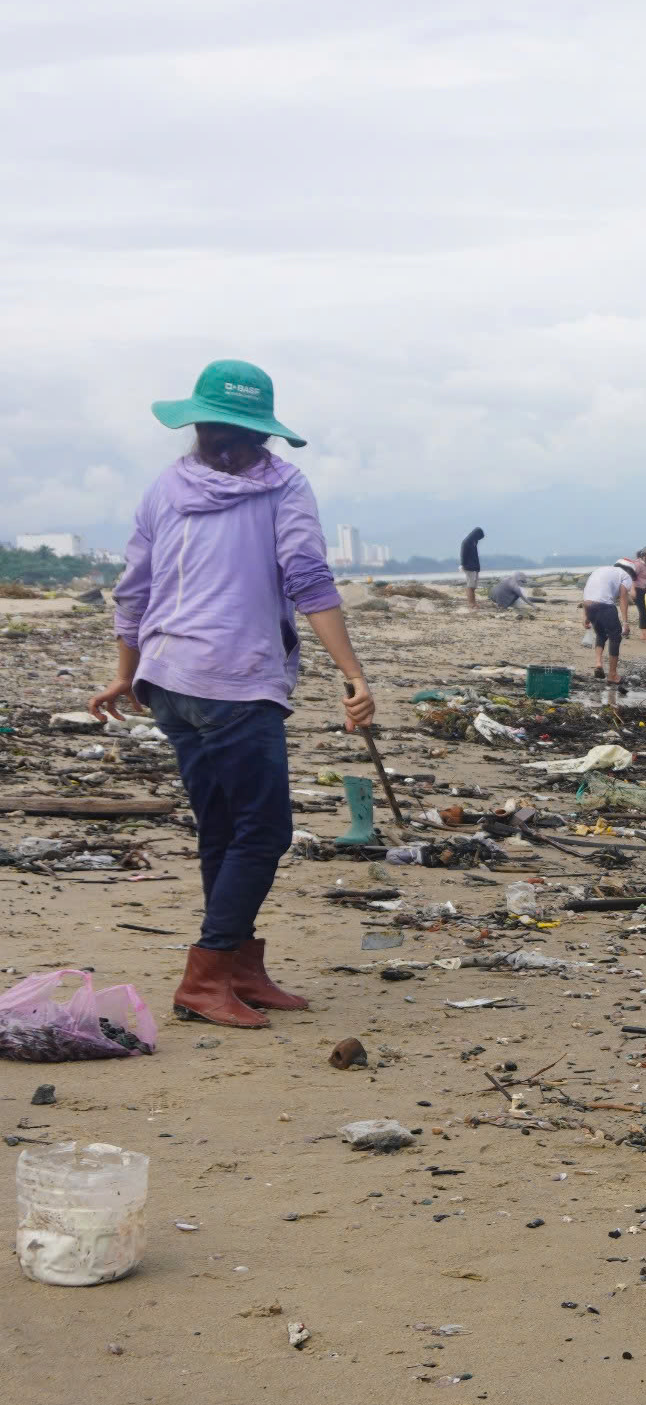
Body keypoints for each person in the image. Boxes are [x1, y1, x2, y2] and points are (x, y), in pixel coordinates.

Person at [87, 358, 376, 1030]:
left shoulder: (165, 486)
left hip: (168, 683)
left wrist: (127, 671)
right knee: (264, 828)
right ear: (260, 437)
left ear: (200, 427)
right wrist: (354, 675)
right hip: (233, 682)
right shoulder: (283, 487)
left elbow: (134, 589)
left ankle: (240, 964)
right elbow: (308, 581)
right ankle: (208, 971)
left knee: (223, 824)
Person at [581, 558, 632, 687]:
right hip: (604, 605)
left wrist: (586, 615)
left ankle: (598, 663)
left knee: (601, 634)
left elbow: (588, 591)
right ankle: (612, 675)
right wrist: (625, 623)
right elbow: (623, 599)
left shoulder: (600, 570)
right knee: (615, 637)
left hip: (588, 604)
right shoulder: (625, 575)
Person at [460, 525, 485, 607]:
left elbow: (475, 556)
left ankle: (474, 602)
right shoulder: (466, 542)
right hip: (469, 567)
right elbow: (463, 555)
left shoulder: (474, 541)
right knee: (470, 586)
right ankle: (471, 603)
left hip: (475, 567)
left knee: (473, 586)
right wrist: (463, 564)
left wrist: (478, 567)